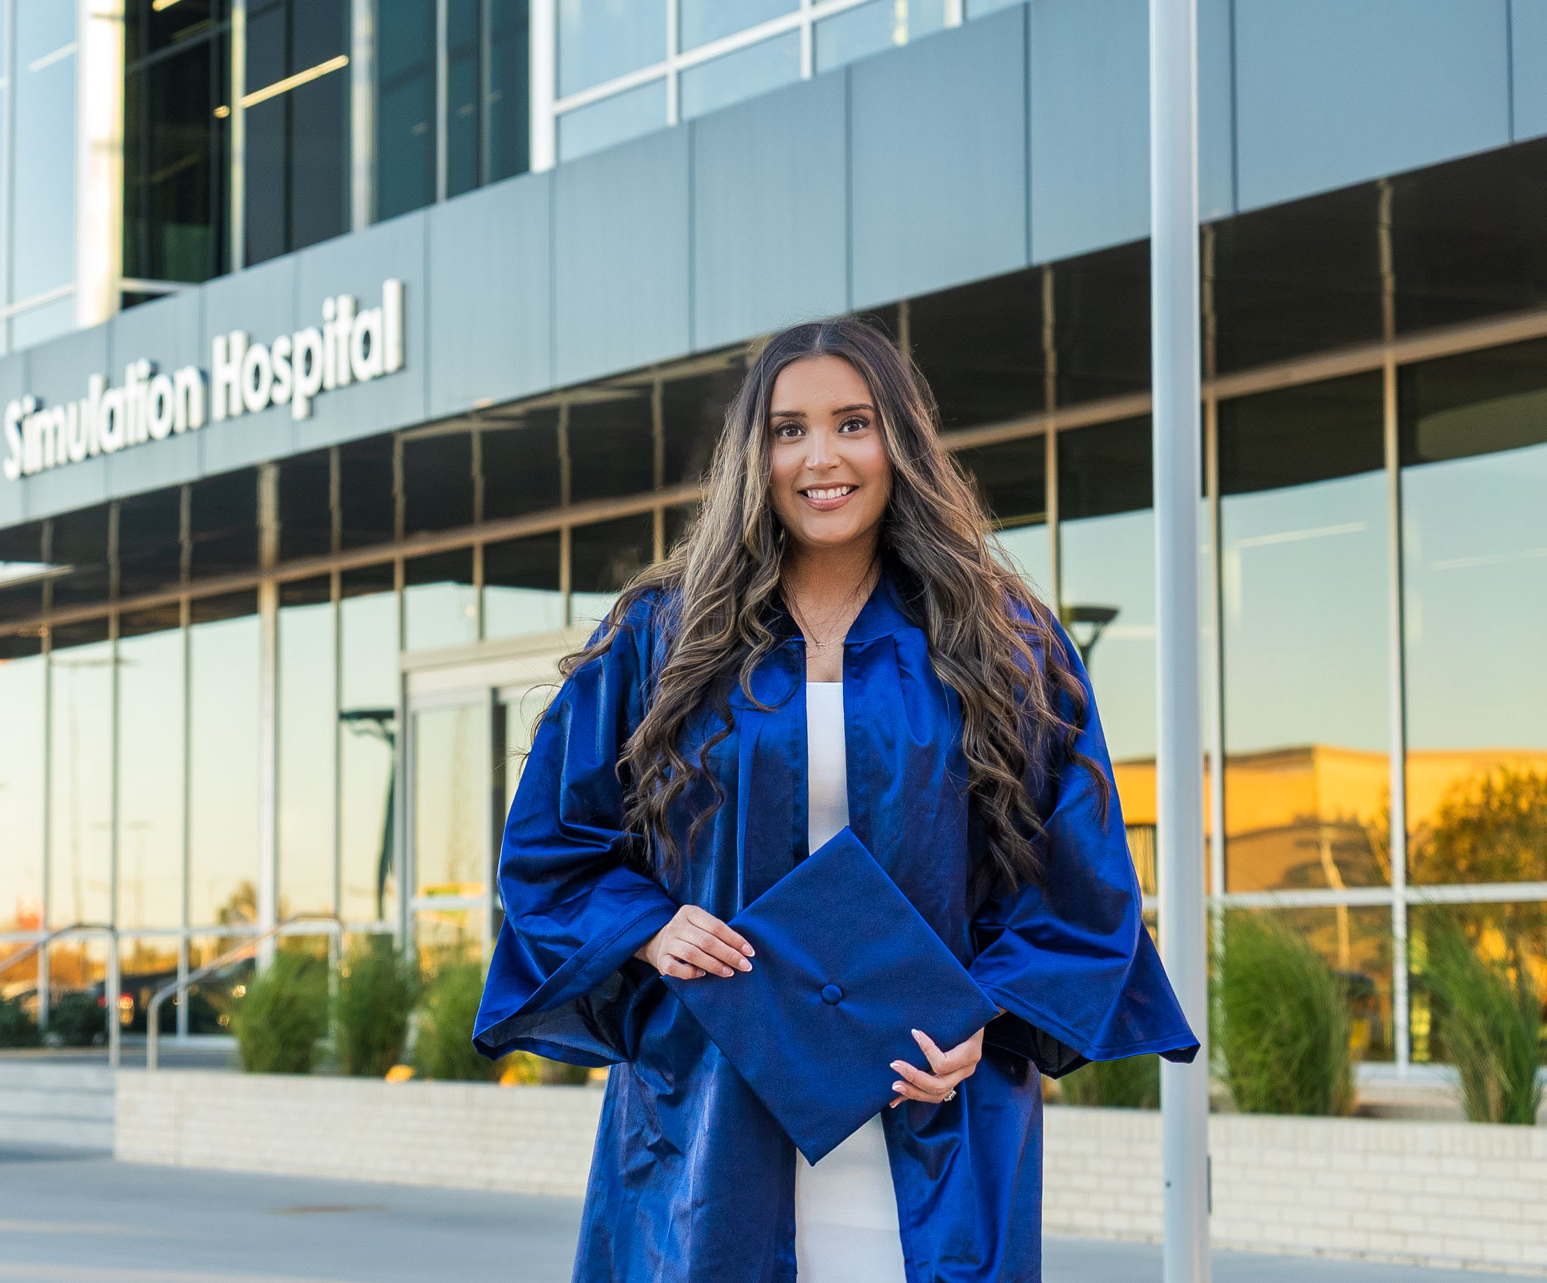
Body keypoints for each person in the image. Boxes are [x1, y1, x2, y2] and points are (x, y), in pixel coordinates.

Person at [472, 316, 1198, 1282]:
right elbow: (552, 847)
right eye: (789, 429)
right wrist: (646, 927)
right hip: (716, 1100)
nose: (823, 457)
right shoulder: (664, 636)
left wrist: (987, 1011)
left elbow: (1076, 874)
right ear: (753, 454)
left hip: (928, 1103)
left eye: (854, 422)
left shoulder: (997, 640)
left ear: (899, 440)